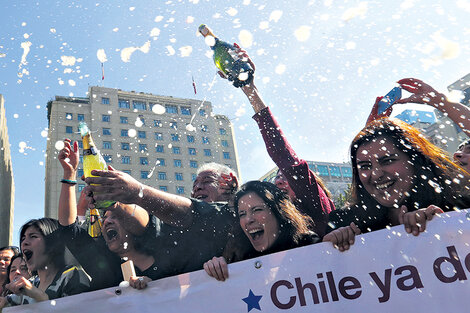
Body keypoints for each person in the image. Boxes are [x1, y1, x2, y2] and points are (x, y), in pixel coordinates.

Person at [217, 44, 334, 237]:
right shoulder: (275, 226)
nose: (279, 180)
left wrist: (250, 90)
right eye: (276, 177)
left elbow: (284, 156)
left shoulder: (316, 208)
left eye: (284, 176)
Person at [324, 118, 470, 251]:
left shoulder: (458, 208)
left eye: (387, 161)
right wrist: (327, 250)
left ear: (415, 161)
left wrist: (445, 224)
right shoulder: (343, 221)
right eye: (365, 166)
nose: (376, 174)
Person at [83, 157, 240, 276]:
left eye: (207, 181)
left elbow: (193, 213)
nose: (197, 188)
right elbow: (149, 227)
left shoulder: (241, 216)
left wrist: (138, 192)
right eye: (194, 185)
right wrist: (115, 203)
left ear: (230, 181)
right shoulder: (178, 235)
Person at [57, 139, 176, 290]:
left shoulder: (169, 254)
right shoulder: (103, 266)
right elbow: (68, 228)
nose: (107, 222)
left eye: (115, 216)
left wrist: (154, 287)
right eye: (105, 218)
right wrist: (69, 173)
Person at [204, 181, 320, 281]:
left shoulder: (310, 245)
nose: (248, 220)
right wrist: (215, 269)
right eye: (242, 214)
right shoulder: (240, 259)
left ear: (279, 212)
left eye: (257, 209)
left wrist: (337, 242)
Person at [4, 218, 90, 304]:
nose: (24, 243)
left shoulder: (72, 276)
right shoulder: (31, 283)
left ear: (52, 244)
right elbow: (7, 302)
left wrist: (38, 295)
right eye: (23, 238)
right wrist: (4, 302)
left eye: (33, 236)